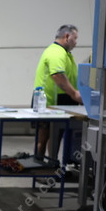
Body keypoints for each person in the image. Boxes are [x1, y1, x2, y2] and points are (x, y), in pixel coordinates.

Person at [33, 24, 82, 158]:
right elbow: (58, 76)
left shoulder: (64, 53)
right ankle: (39, 165)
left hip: (58, 101)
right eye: (75, 38)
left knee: (55, 136)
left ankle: (51, 164)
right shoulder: (56, 52)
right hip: (49, 102)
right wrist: (75, 94)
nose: (76, 42)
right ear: (67, 36)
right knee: (44, 137)